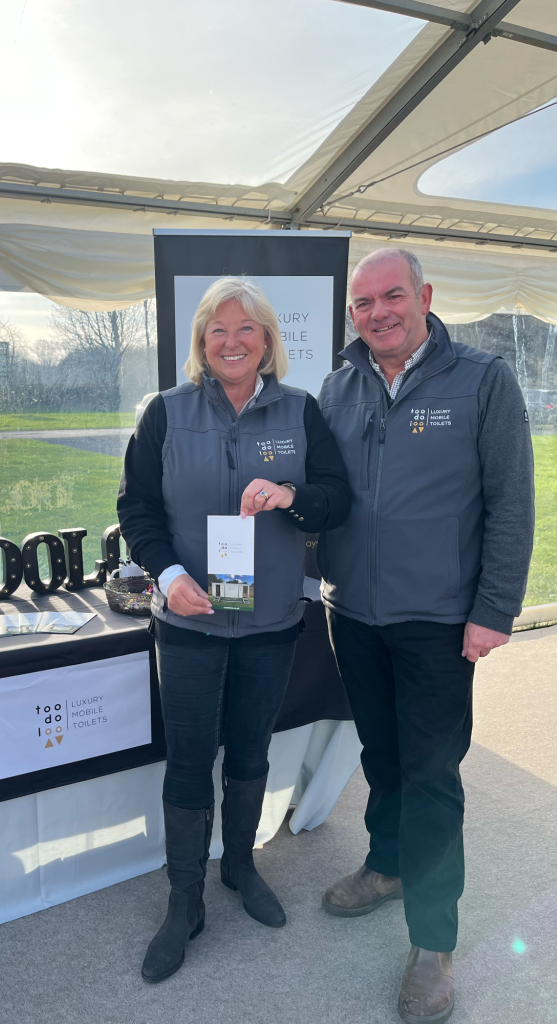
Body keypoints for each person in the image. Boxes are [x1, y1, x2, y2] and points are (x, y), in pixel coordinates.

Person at [317, 248, 535, 1023]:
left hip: (440, 618)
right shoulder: (337, 387)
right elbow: (325, 494)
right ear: (353, 313)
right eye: (365, 302)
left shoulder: (481, 380)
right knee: (381, 755)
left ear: (425, 297)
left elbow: (512, 500)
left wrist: (494, 609)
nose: (379, 312)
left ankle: (434, 943)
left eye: (393, 296)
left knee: (434, 774)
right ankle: (387, 865)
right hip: (356, 613)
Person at [118, 276, 350, 983]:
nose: (232, 341)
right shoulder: (165, 412)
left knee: (250, 752)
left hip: (270, 621)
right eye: (218, 330)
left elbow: (335, 501)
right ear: (200, 342)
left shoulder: (301, 412)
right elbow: (137, 511)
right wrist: (166, 574)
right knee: (190, 759)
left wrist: (291, 496)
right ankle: (184, 898)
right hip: (188, 622)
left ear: (268, 340)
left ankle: (240, 868)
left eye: (246, 329)